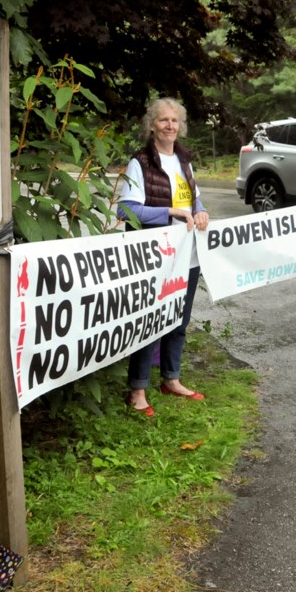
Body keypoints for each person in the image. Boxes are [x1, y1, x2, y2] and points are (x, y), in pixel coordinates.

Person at [116, 97, 208, 417]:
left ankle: (171, 379)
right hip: (157, 256)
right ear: (152, 125)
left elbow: (196, 201)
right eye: (164, 120)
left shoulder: (184, 161)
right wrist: (169, 211)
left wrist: (202, 212)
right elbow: (126, 209)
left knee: (178, 322)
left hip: (187, 255)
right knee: (150, 322)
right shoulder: (140, 163)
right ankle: (137, 390)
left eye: (175, 121)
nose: (170, 126)